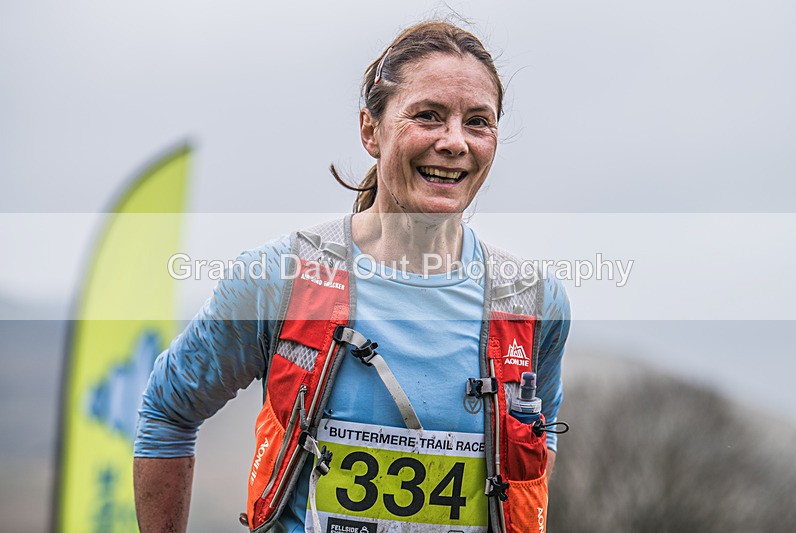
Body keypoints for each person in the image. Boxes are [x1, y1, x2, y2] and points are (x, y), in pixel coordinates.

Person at [134, 20, 570, 533]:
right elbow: (167, 412)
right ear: (370, 130)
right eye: (428, 116)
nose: (454, 142)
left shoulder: (532, 302)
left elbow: (536, 459)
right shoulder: (279, 278)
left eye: (478, 122)